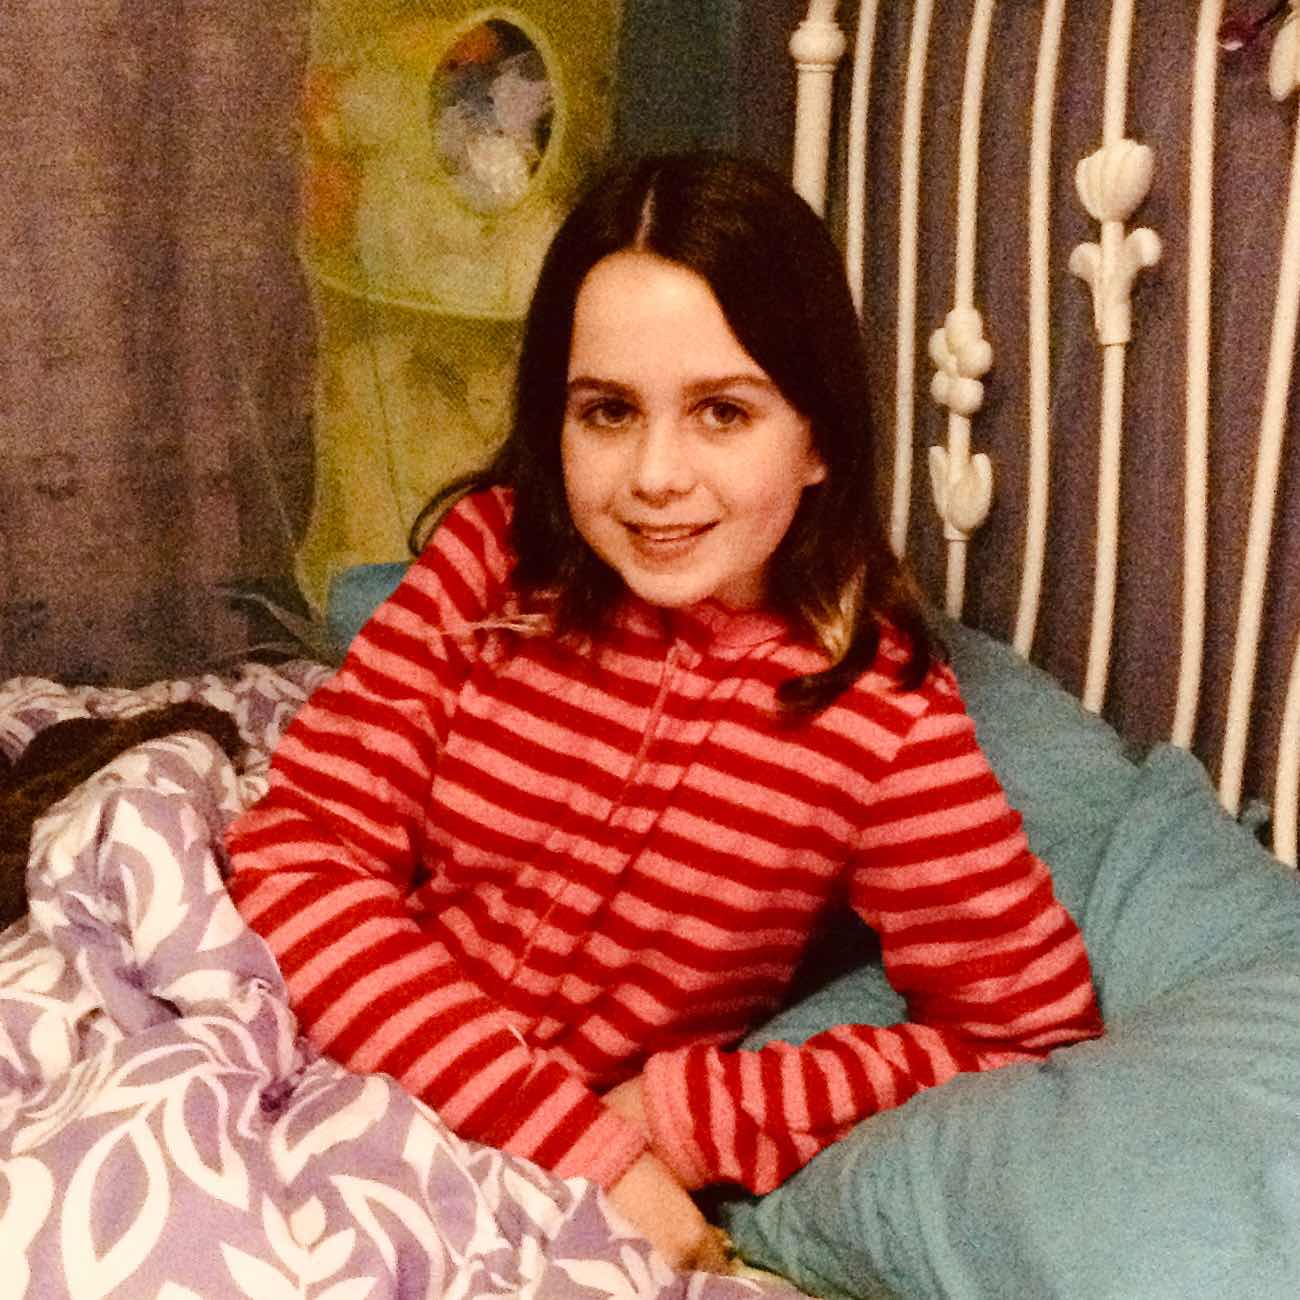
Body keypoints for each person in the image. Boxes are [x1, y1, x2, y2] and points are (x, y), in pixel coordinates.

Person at [226, 152, 1103, 1269]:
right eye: (607, 411)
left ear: (819, 437)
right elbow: (297, 858)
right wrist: (592, 1152)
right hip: (313, 1059)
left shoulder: (880, 719)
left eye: (721, 412)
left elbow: (1027, 1028)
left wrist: (693, 1115)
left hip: (506, 1199)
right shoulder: (489, 562)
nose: (653, 474)